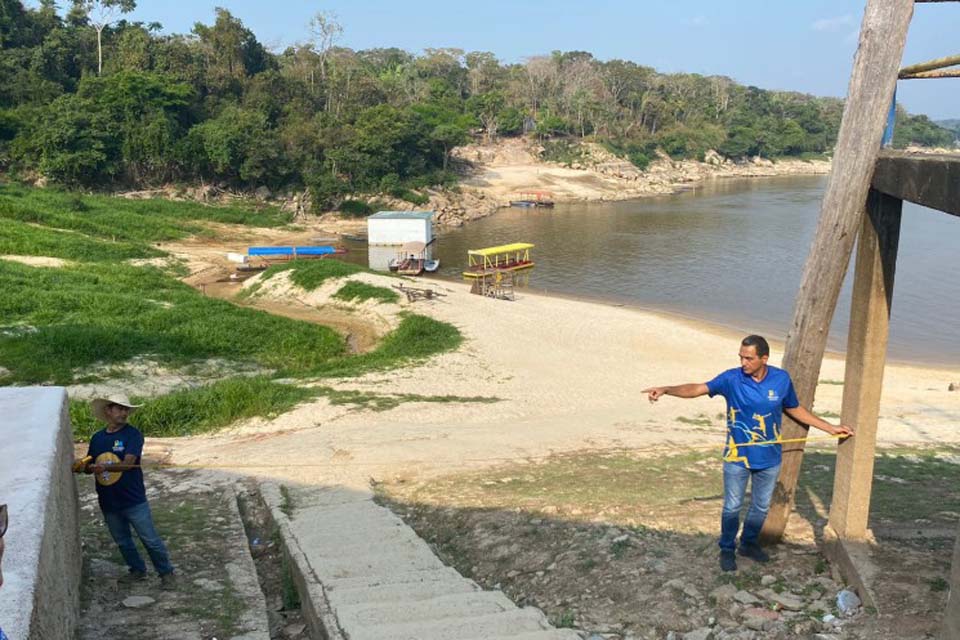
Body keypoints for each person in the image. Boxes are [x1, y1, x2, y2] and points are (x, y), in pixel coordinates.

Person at [642, 335, 854, 572]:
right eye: (741, 357)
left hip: (769, 458)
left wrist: (829, 427)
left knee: (760, 507)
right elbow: (697, 389)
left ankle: (748, 544)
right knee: (732, 507)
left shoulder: (781, 379)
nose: (743, 362)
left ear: (764, 358)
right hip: (737, 457)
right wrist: (667, 389)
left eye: (749, 358)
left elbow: (794, 408)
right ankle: (726, 548)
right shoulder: (731, 379)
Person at [74, 394, 176, 589]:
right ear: (108, 410)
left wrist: (104, 467)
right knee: (122, 541)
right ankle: (137, 570)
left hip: (133, 499)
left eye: (126, 409)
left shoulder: (133, 435)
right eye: (120, 409)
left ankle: (166, 573)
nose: (124, 413)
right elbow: (89, 463)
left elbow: (128, 464)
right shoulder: (97, 438)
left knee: (150, 539)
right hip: (108, 501)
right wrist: (82, 466)